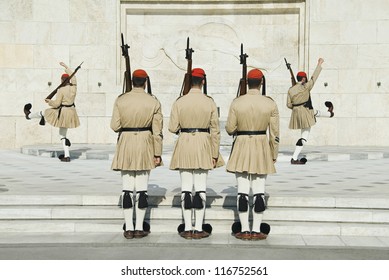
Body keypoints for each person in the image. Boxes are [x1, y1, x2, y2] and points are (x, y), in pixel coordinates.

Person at [169, 68, 224, 240]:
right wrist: (214, 153)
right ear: (203, 82)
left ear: (188, 82)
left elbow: (172, 127)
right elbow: (215, 131)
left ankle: (187, 227)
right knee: (200, 188)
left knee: (186, 188)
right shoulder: (209, 102)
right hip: (203, 143)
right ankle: (199, 227)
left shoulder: (180, 101)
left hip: (185, 142)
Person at [226, 69, 279, 241]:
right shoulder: (270, 103)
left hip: (242, 144)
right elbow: (275, 134)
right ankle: (256, 230)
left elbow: (229, 129)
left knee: (242, 191)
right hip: (261, 145)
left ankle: (243, 229)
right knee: (259, 192)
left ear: (247, 82)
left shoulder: (237, 102)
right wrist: (273, 153)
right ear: (261, 83)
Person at [110, 69, 163, 239]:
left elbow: (115, 126)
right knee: (141, 189)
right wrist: (157, 153)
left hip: (126, 141)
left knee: (127, 188)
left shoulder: (121, 100)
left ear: (132, 81)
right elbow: (157, 131)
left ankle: (129, 228)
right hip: (144, 142)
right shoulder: (153, 101)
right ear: (145, 82)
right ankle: (139, 227)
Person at [23, 62, 80, 162]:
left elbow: (57, 104)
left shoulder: (61, 90)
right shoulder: (74, 87)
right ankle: (66, 156)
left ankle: (29, 116)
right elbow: (74, 78)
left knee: (45, 112)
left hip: (63, 112)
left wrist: (50, 102)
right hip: (71, 112)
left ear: (62, 80)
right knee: (63, 134)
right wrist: (66, 67)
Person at [287, 58, 334, 164]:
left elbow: (288, 105)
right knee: (304, 136)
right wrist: (319, 64)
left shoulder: (290, 90)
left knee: (314, 113)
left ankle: (330, 113)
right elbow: (314, 78)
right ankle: (294, 158)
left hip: (297, 113)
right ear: (303, 79)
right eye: (305, 78)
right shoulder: (306, 87)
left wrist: (296, 108)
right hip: (305, 111)